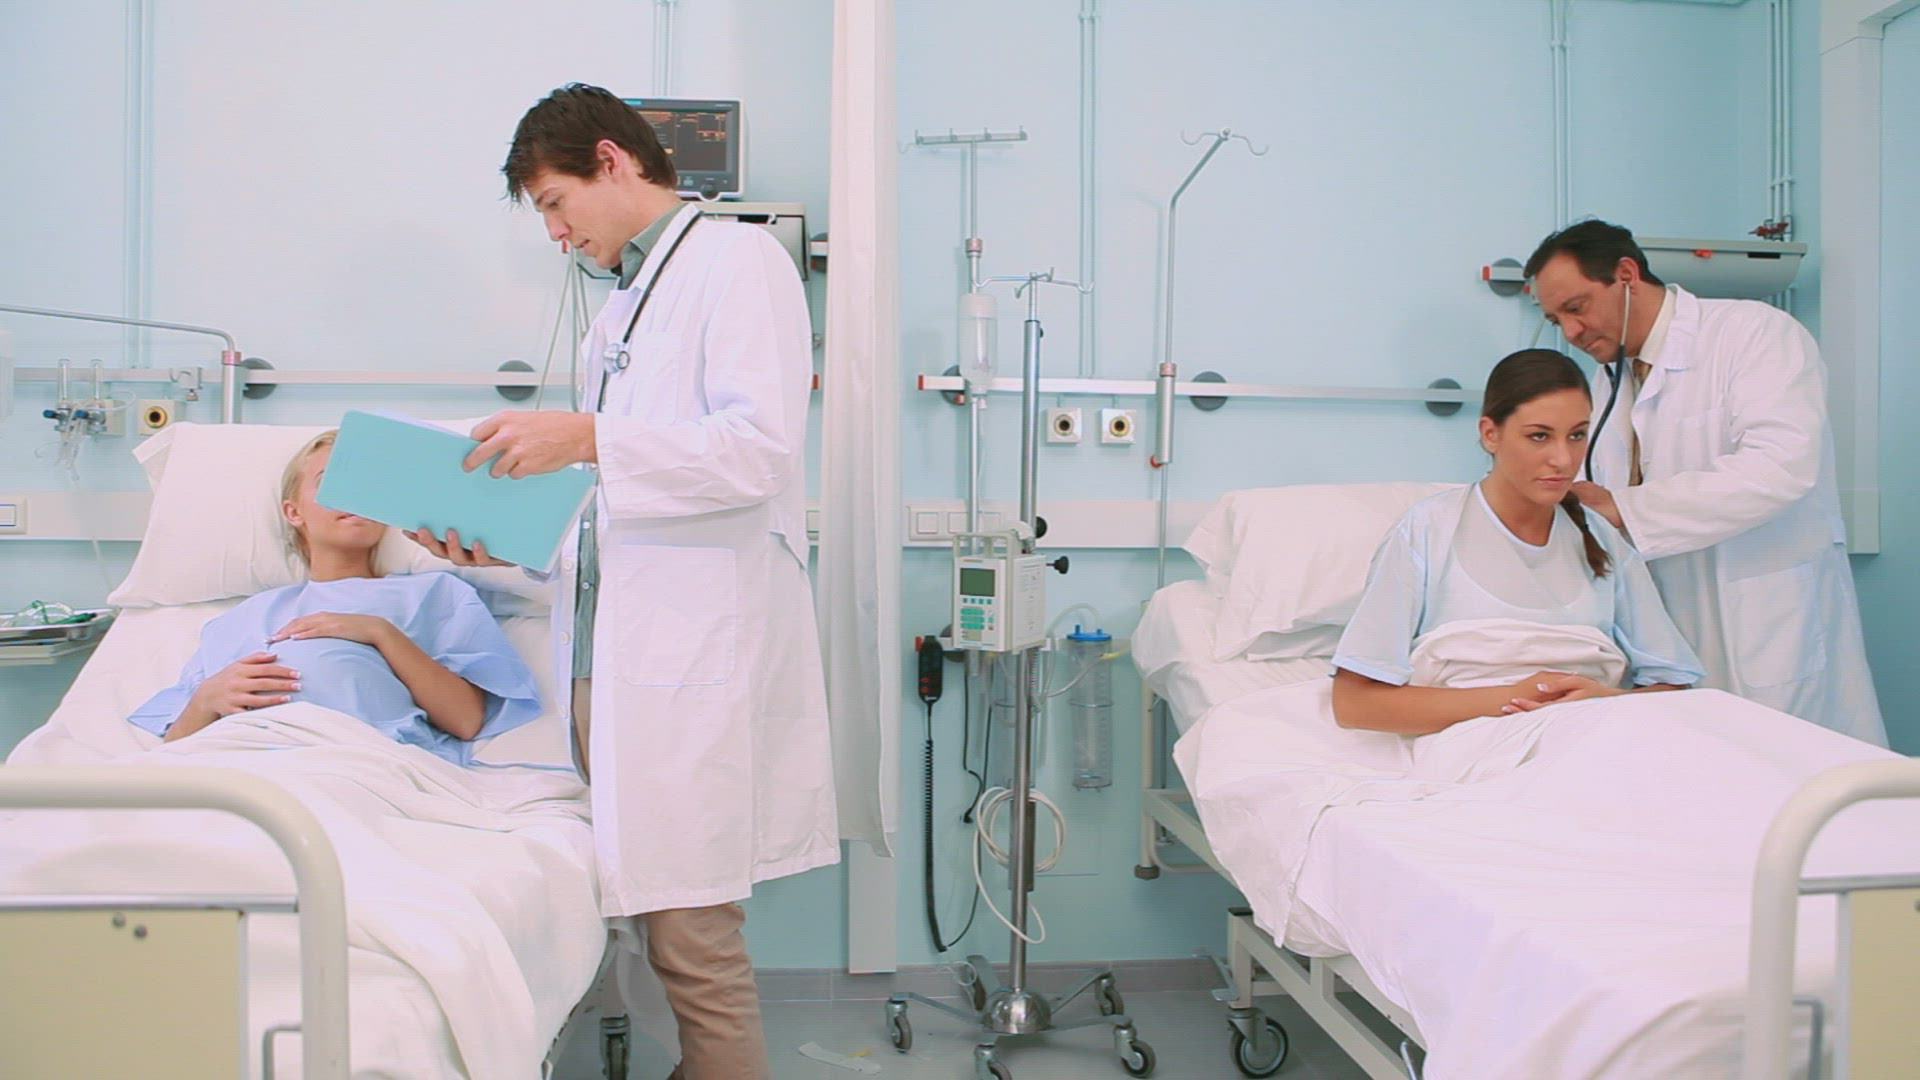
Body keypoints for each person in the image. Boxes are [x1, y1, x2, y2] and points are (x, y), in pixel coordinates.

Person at [413, 83, 836, 1080]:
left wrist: (588, 436)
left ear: (611, 160)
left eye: (556, 202)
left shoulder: (738, 264)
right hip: (616, 660)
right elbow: (614, 506)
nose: (555, 232)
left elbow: (757, 452)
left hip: (691, 655)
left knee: (693, 935)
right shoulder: (620, 313)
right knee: (658, 922)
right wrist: (500, 543)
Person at [1525, 220, 1887, 746]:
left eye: (1576, 308)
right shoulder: (1608, 383)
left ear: (1626, 274)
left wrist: (1626, 510)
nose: (1571, 332)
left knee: (1798, 765)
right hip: (1668, 634)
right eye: (1555, 319)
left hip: (1765, 612)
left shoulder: (1753, 334)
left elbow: (1782, 465)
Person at [1332, 349, 1704, 734]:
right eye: (1539, 436)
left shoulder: (1602, 539)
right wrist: (1515, 699)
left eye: (1577, 435)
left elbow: (1674, 686)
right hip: (1480, 738)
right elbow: (1355, 704)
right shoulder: (1426, 531)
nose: (1563, 459)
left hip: (1594, 731)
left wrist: (1604, 700)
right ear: (1490, 433)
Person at [128, 432, 542, 763]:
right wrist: (205, 700)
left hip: (358, 763)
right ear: (294, 512)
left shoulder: (433, 593)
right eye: (332, 481)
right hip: (237, 763)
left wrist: (381, 634)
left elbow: (466, 721)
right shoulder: (240, 618)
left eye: (366, 486)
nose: (352, 495)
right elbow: (172, 754)